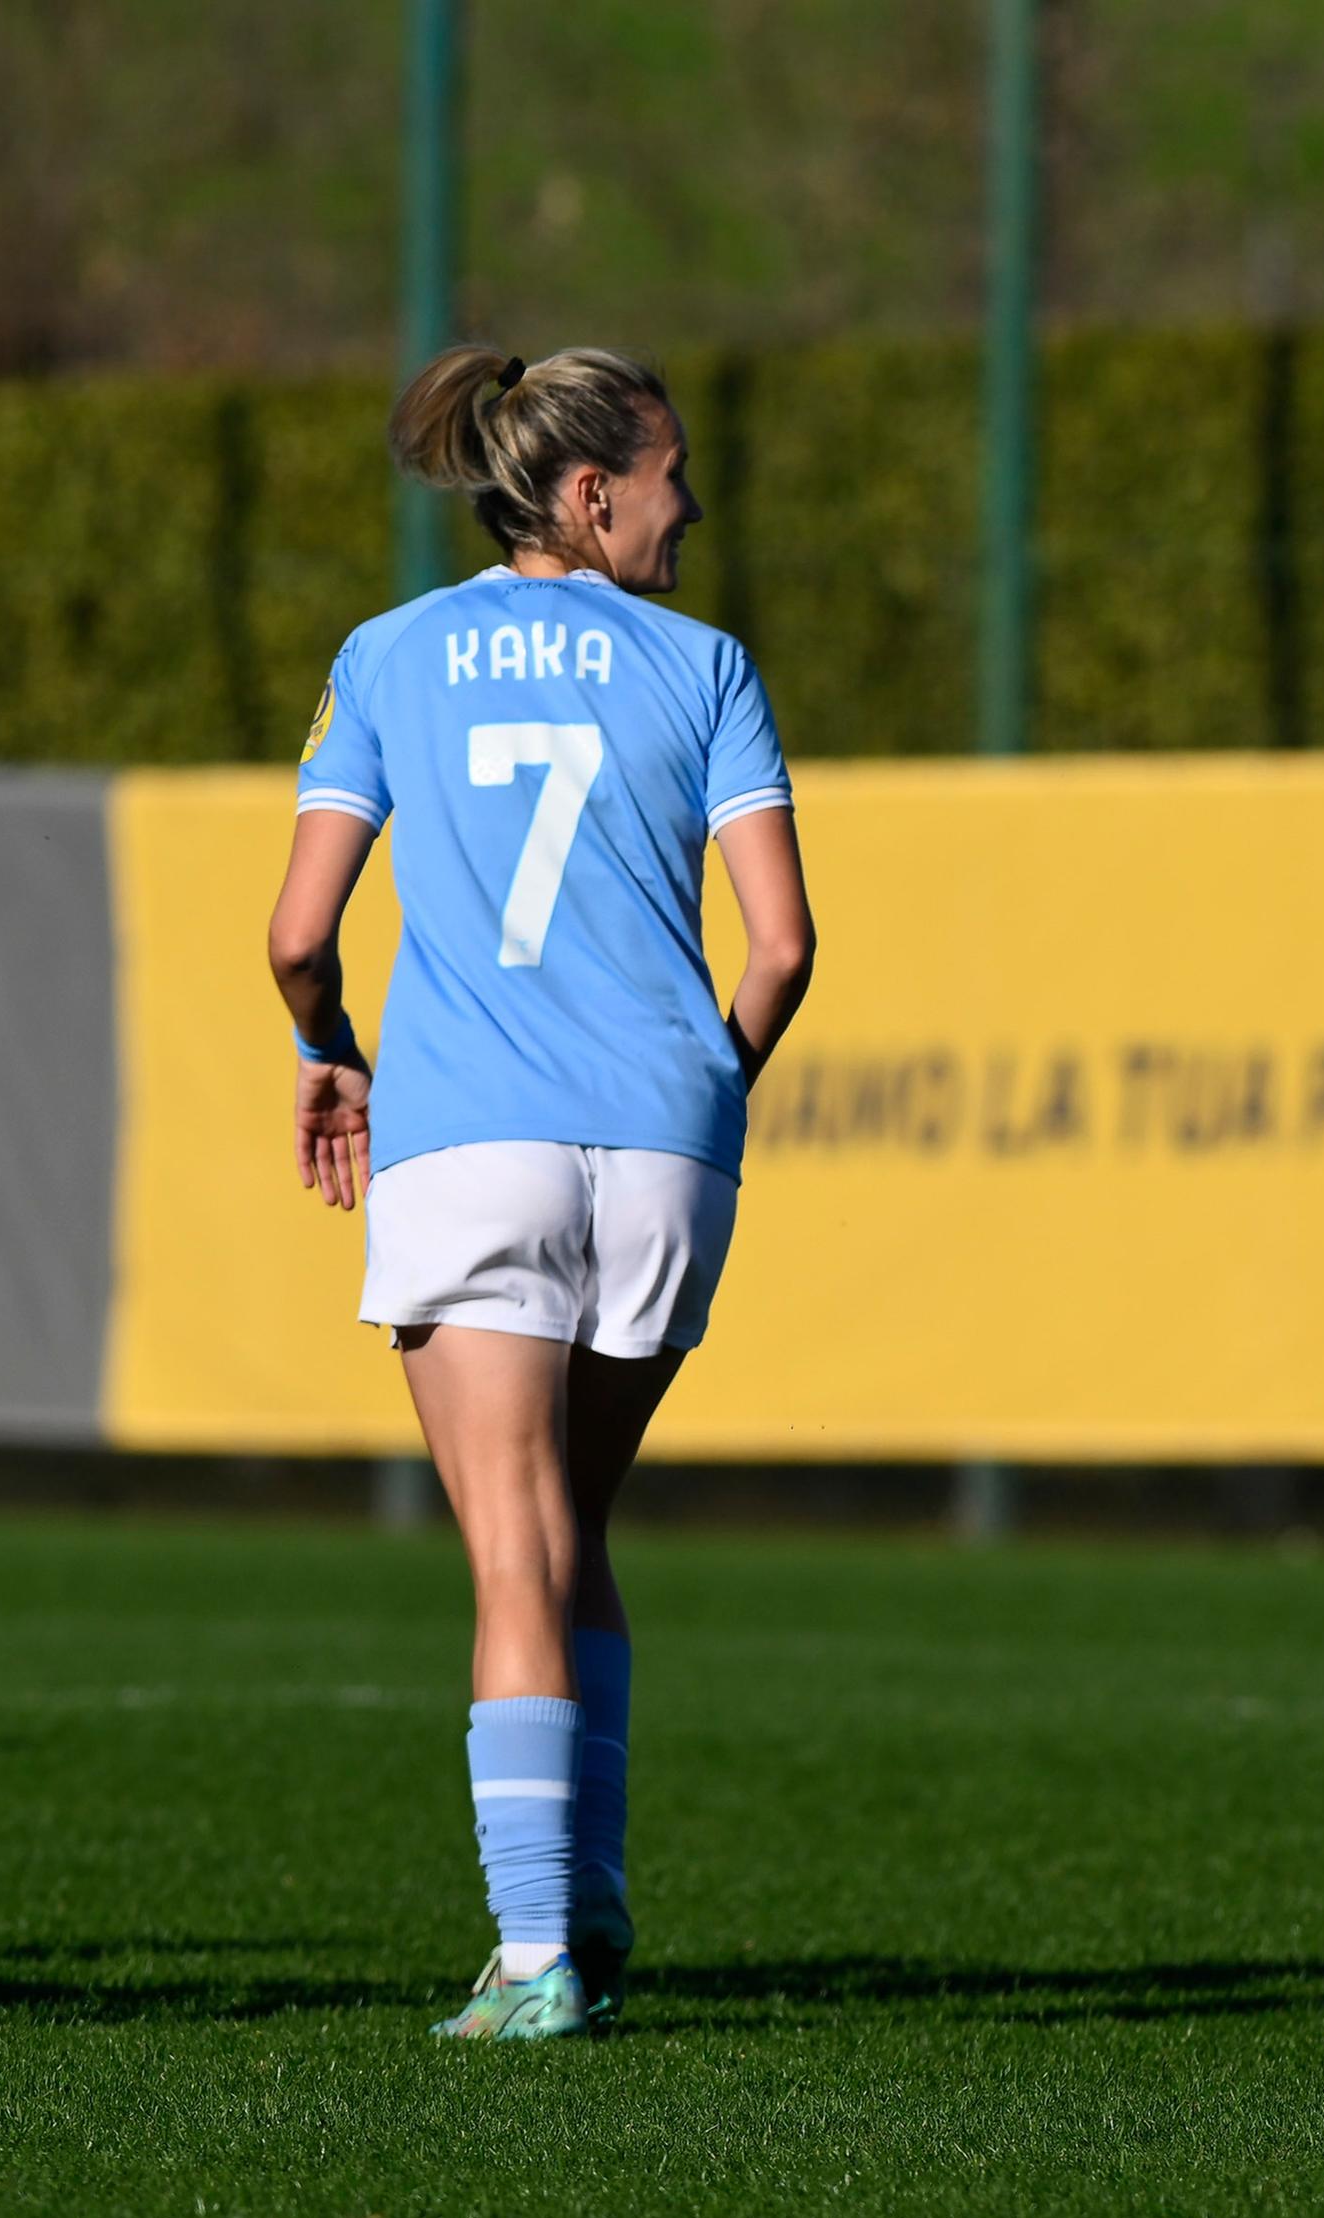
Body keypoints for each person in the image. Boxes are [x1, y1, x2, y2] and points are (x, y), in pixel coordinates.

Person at [269, 344, 818, 2040]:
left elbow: (297, 934)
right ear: (590, 495)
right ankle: (589, 1891)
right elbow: (783, 947)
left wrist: (330, 1047)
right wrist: (698, 1090)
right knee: (574, 1527)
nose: (689, 504)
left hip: (471, 1140)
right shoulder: (708, 664)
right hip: (665, 1149)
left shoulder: (388, 652)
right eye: (670, 474)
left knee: (515, 1547)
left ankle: (533, 1955)